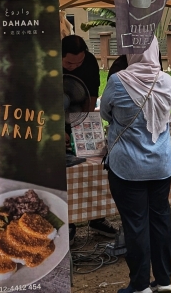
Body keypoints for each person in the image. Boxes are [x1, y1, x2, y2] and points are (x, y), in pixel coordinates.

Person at [100, 38, 171, 293]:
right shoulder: (166, 80)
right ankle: (164, 281)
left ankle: (140, 285)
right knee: (161, 221)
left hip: (128, 166)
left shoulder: (118, 80)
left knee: (136, 225)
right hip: (161, 164)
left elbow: (105, 113)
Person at [62, 35, 119, 237]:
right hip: (52, 121)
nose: (74, 67)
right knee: (65, 176)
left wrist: (86, 126)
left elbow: (92, 97)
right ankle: (67, 222)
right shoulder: (47, 65)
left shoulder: (89, 63)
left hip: (81, 115)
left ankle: (97, 217)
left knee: (94, 169)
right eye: (68, 63)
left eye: (78, 62)